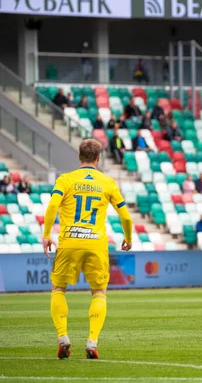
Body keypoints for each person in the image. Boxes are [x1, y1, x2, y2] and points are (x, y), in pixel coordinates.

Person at [42, 139, 133, 360]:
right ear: (99, 157)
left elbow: (53, 205)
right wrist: (128, 238)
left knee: (58, 288)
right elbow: (126, 216)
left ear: (79, 156)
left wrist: (46, 235)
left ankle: (63, 337)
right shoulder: (107, 182)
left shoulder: (66, 179)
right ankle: (92, 342)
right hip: (96, 243)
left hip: (69, 241)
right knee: (99, 293)